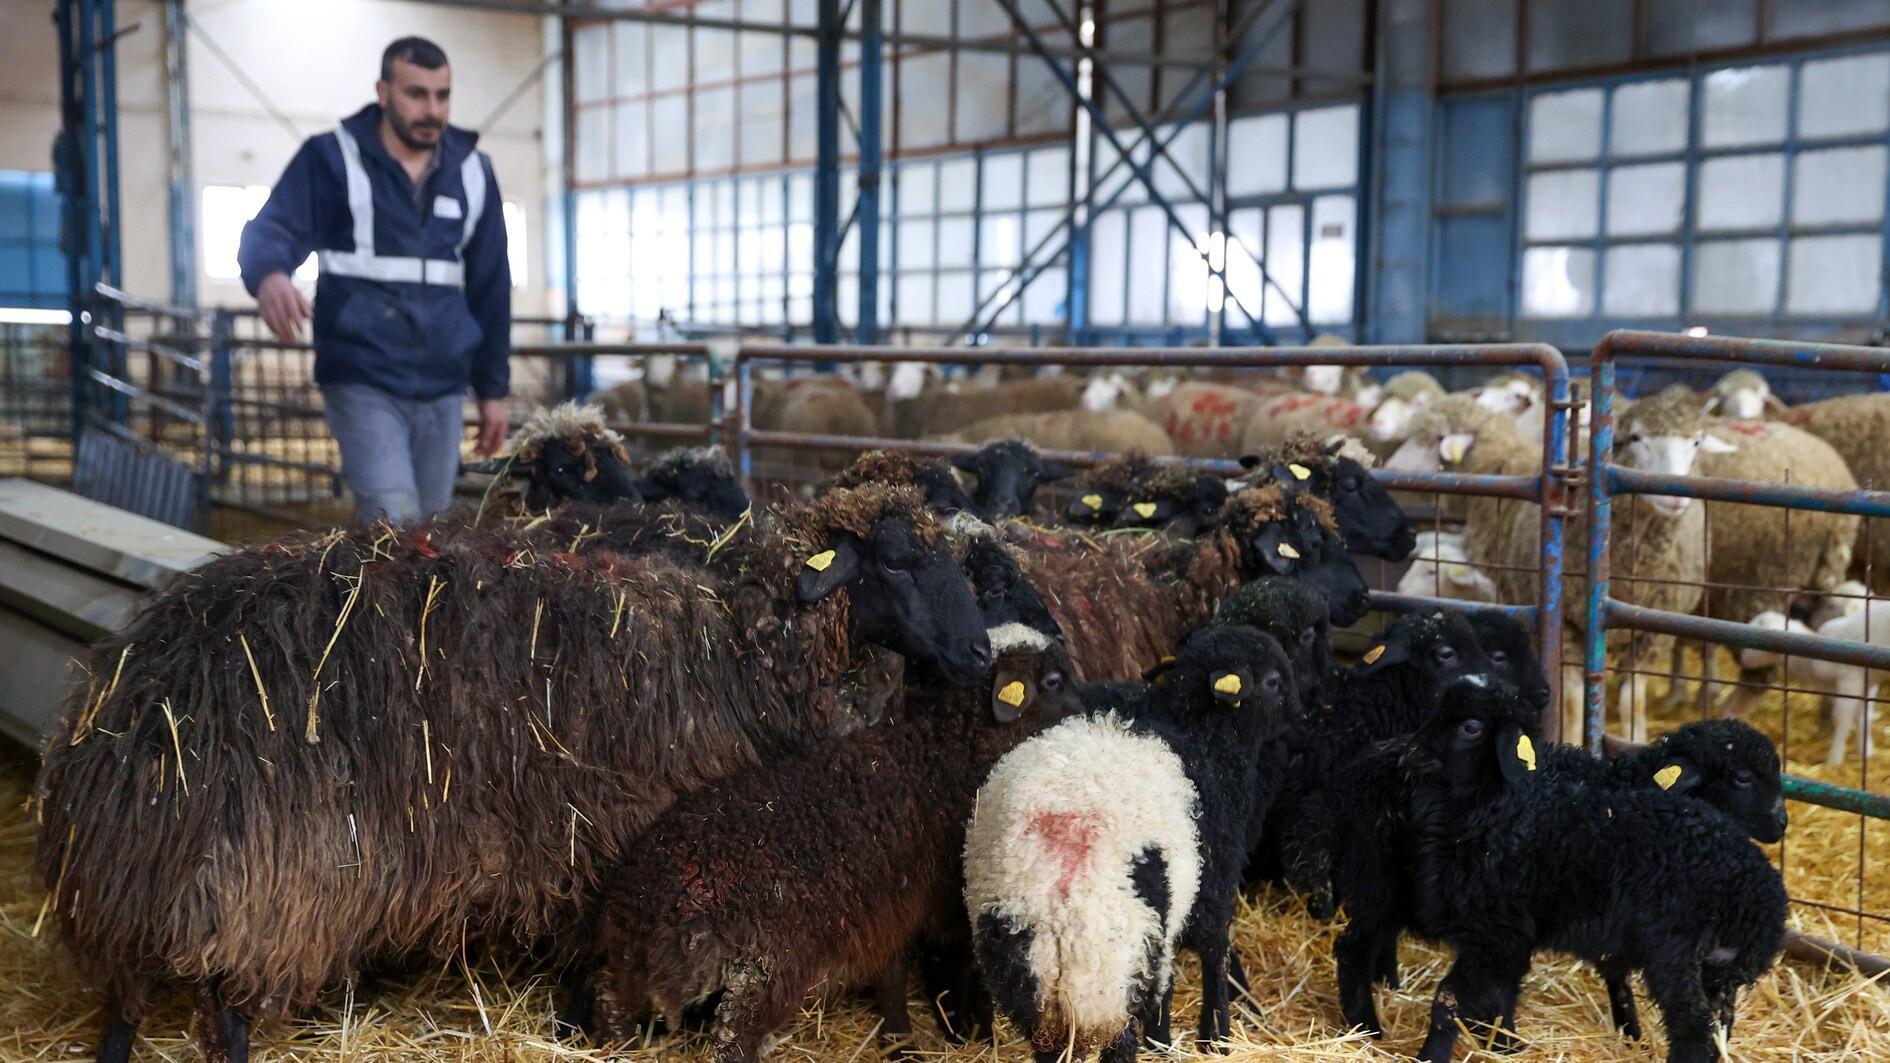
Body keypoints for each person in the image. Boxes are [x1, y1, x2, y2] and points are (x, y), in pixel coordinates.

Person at [239, 36, 510, 523]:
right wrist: (271, 274)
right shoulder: (332, 158)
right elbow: (273, 228)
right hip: (362, 373)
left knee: (433, 527)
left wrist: (493, 391)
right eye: (416, 94)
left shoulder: (473, 171)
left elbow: (491, 286)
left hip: (444, 382)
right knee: (394, 516)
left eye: (442, 95)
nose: (432, 110)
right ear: (383, 93)